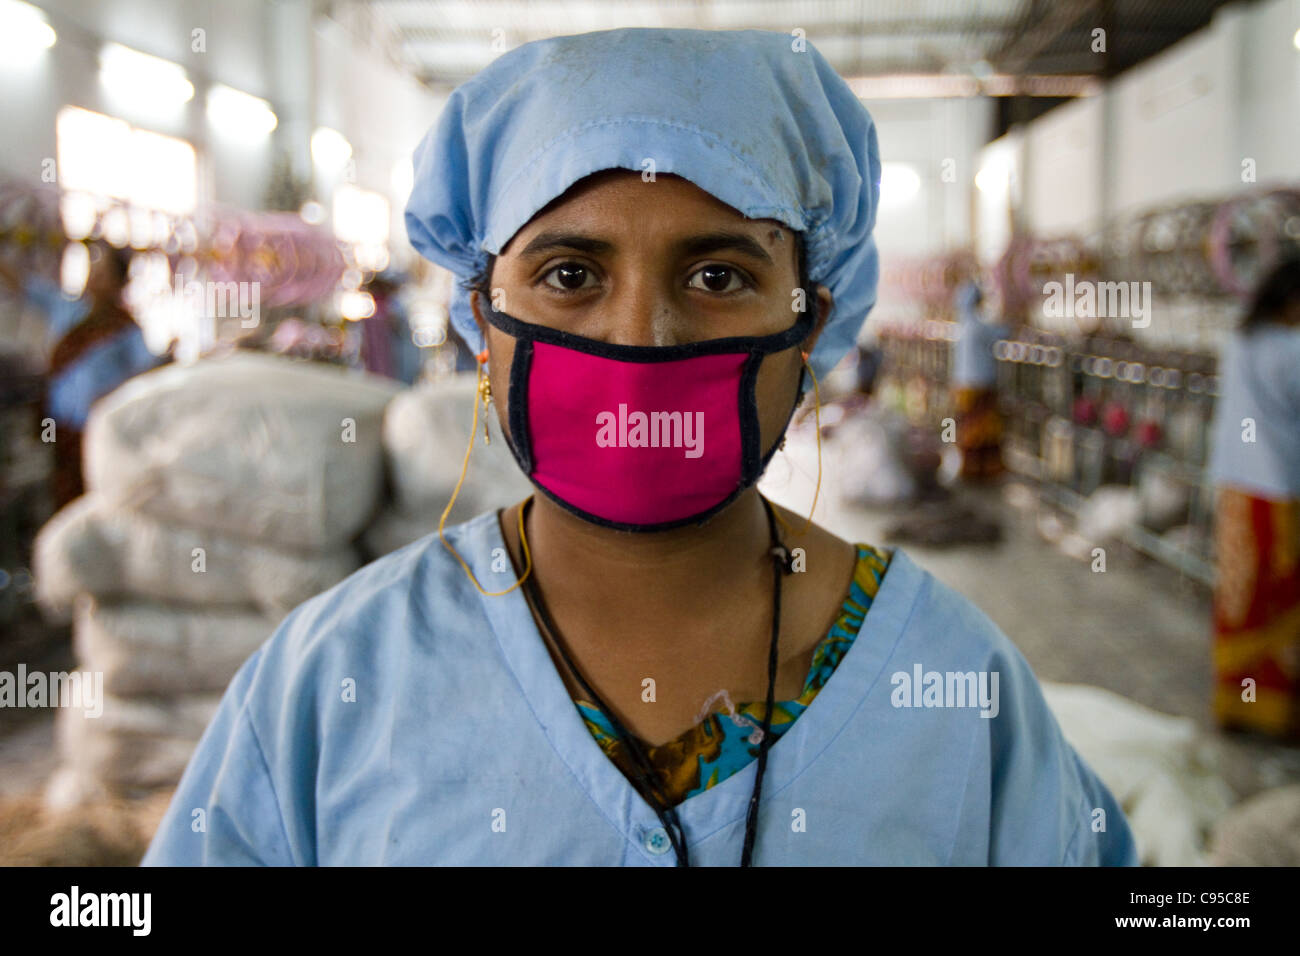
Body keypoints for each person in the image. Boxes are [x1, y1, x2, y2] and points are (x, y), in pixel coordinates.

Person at [143, 28, 1136, 866]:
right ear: (480, 320)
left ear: (811, 322)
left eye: (717, 277)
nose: (642, 338)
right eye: (570, 273)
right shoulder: (328, 687)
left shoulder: (957, 689)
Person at [1207, 254, 1300, 740]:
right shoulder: (1290, 349)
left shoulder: (1239, 341)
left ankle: (1236, 701)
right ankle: (1275, 710)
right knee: (1280, 594)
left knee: (1240, 592)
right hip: (1278, 489)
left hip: (1237, 486)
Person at [0, 239, 161, 509]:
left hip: (97, 431)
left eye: (102, 273)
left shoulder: (127, 330)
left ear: (118, 282)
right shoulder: (68, 308)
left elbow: (145, 378)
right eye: (93, 270)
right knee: (56, 491)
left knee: (93, 496)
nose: (93, 277)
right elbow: (21, 284)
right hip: (56, 427)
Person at [950, 278, 1010, 481]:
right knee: (983, 426)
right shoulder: (977, 326)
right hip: (980, 383)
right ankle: (982, 469)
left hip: (963, 383)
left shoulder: (961, 326)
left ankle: (969, 466)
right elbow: (1003, 332)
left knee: (968, 424)